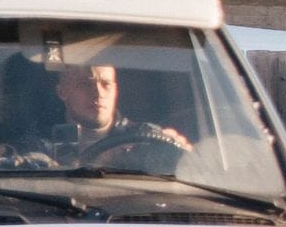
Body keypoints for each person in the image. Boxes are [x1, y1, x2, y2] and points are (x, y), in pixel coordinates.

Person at [49, 63, 189, 169]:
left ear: (116, 90)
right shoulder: (40, 143)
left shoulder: (146, 138)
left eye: (106, 84)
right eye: (85, 84)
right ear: (62, 92)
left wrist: (183, 156)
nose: (98, 94)